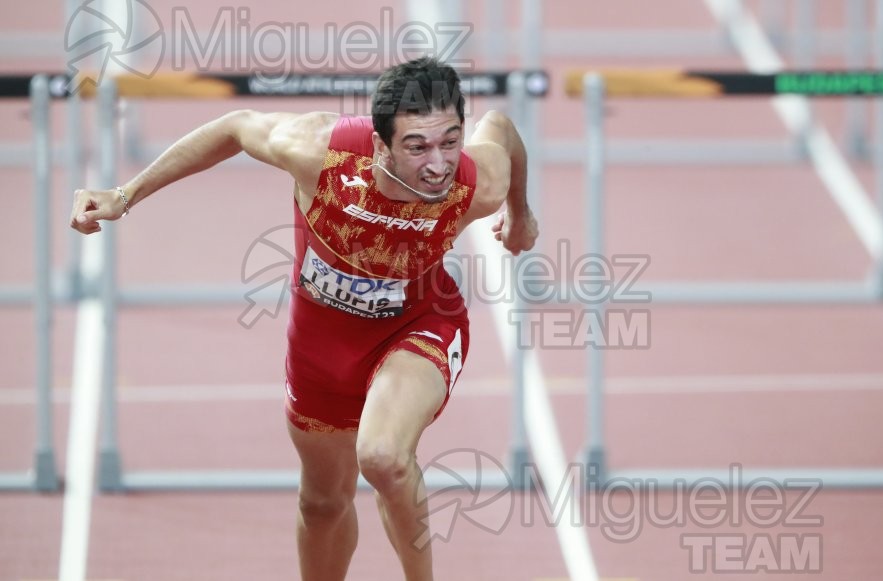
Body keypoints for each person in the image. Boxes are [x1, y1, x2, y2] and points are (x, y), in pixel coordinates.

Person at [70, 57, 538, 581]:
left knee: (383, 457)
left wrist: (520, 212)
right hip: (322, 346)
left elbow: (500, 129)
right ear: (381, 145)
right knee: (321, 502)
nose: (437, 165)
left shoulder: (478, 182)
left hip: (418, 325)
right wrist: (123, 195)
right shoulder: (320, 150)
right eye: (417, 147)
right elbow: (234, 127)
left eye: (450, 141)